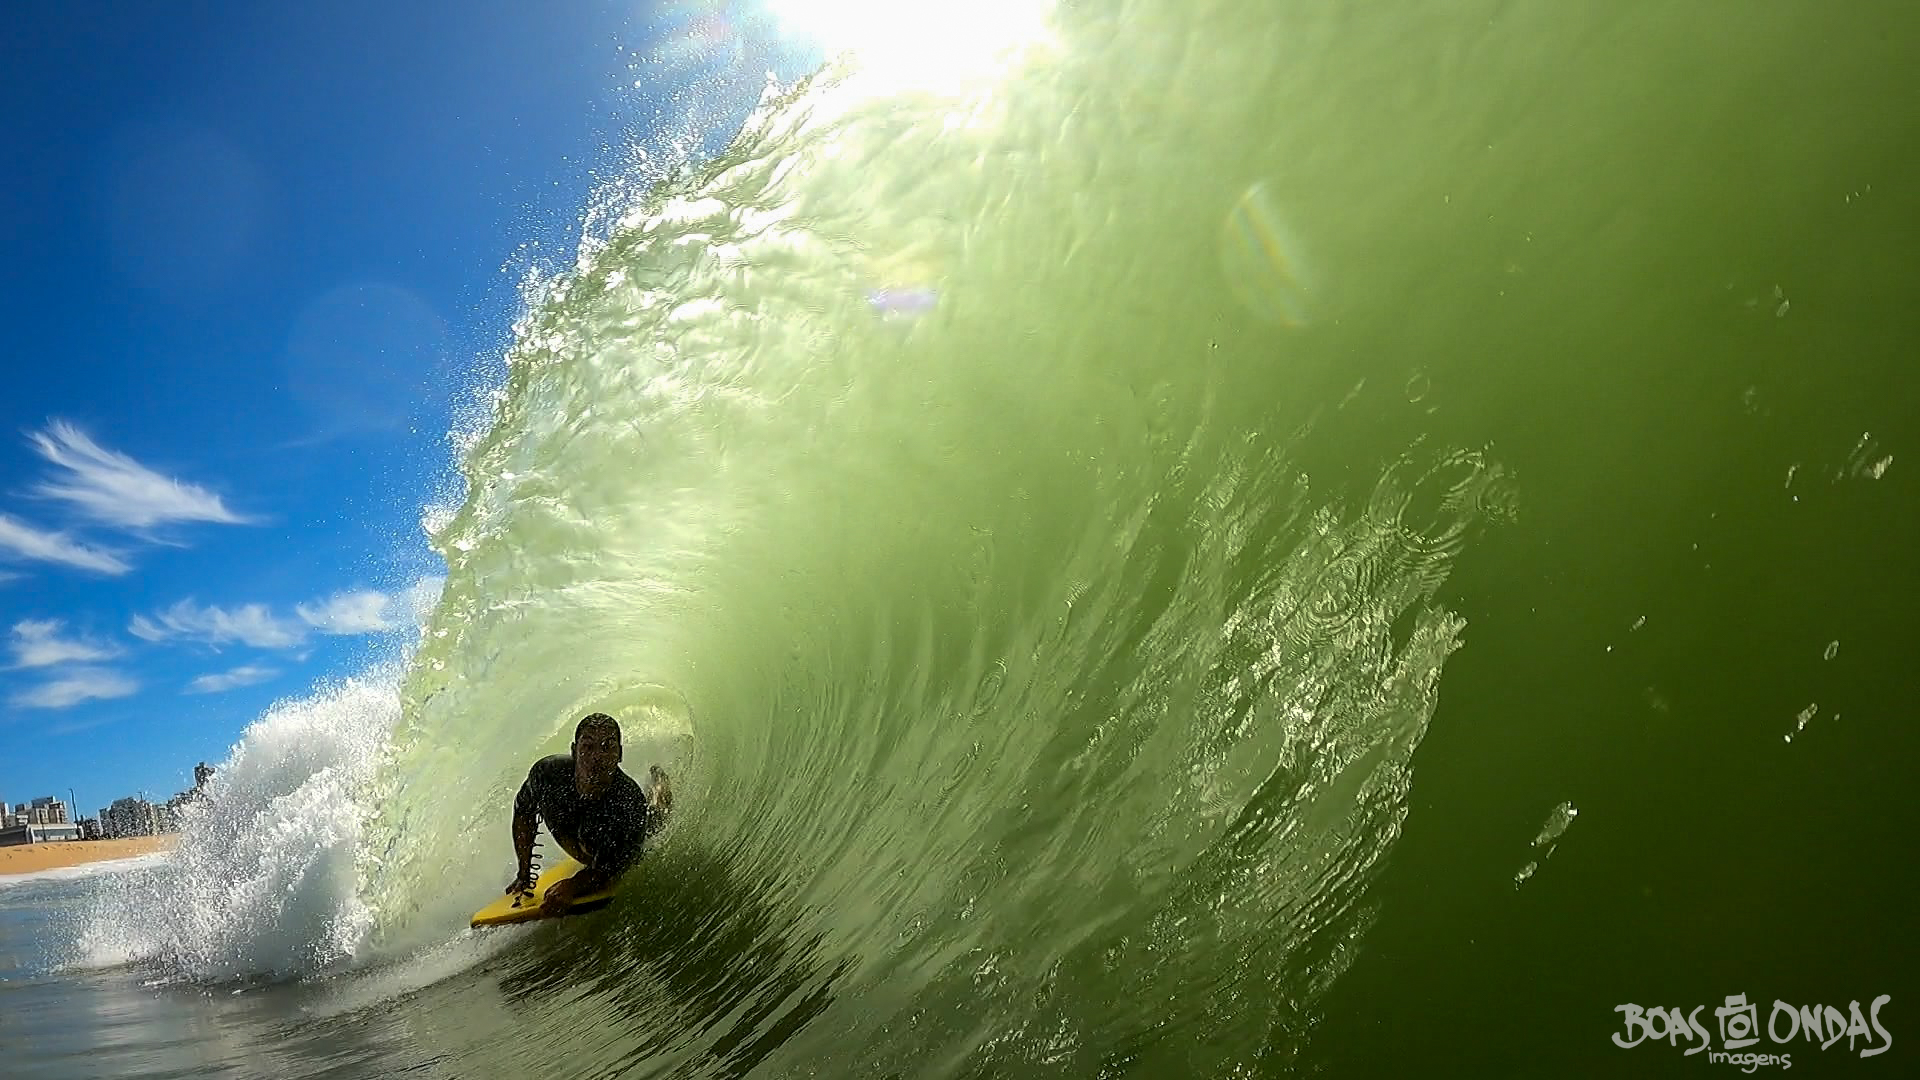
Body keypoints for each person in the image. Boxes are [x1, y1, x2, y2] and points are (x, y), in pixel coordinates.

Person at [507, 712, 661, 915]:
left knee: (656, 820)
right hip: (582, 836)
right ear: (574, 750)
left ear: (620, 754)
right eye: (588, 747)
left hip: (625, 842)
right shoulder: (547, 775)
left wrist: (573, 886)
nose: (597, 757)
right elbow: (523, 812)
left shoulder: (628, 803)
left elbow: (612, 869)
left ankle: (658, 789)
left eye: (607, 747)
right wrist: (524, 873)